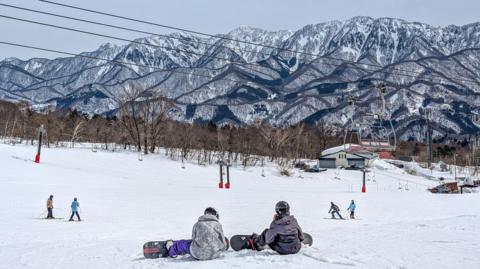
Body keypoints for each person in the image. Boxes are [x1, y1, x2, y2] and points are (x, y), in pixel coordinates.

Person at [162, 207, 227, 260]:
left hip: (198, 254)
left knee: (183, 244)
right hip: (214, 255)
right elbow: (224, 244)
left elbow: (193, 238)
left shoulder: (197, 224)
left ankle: (171, 249)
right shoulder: (218, 225)